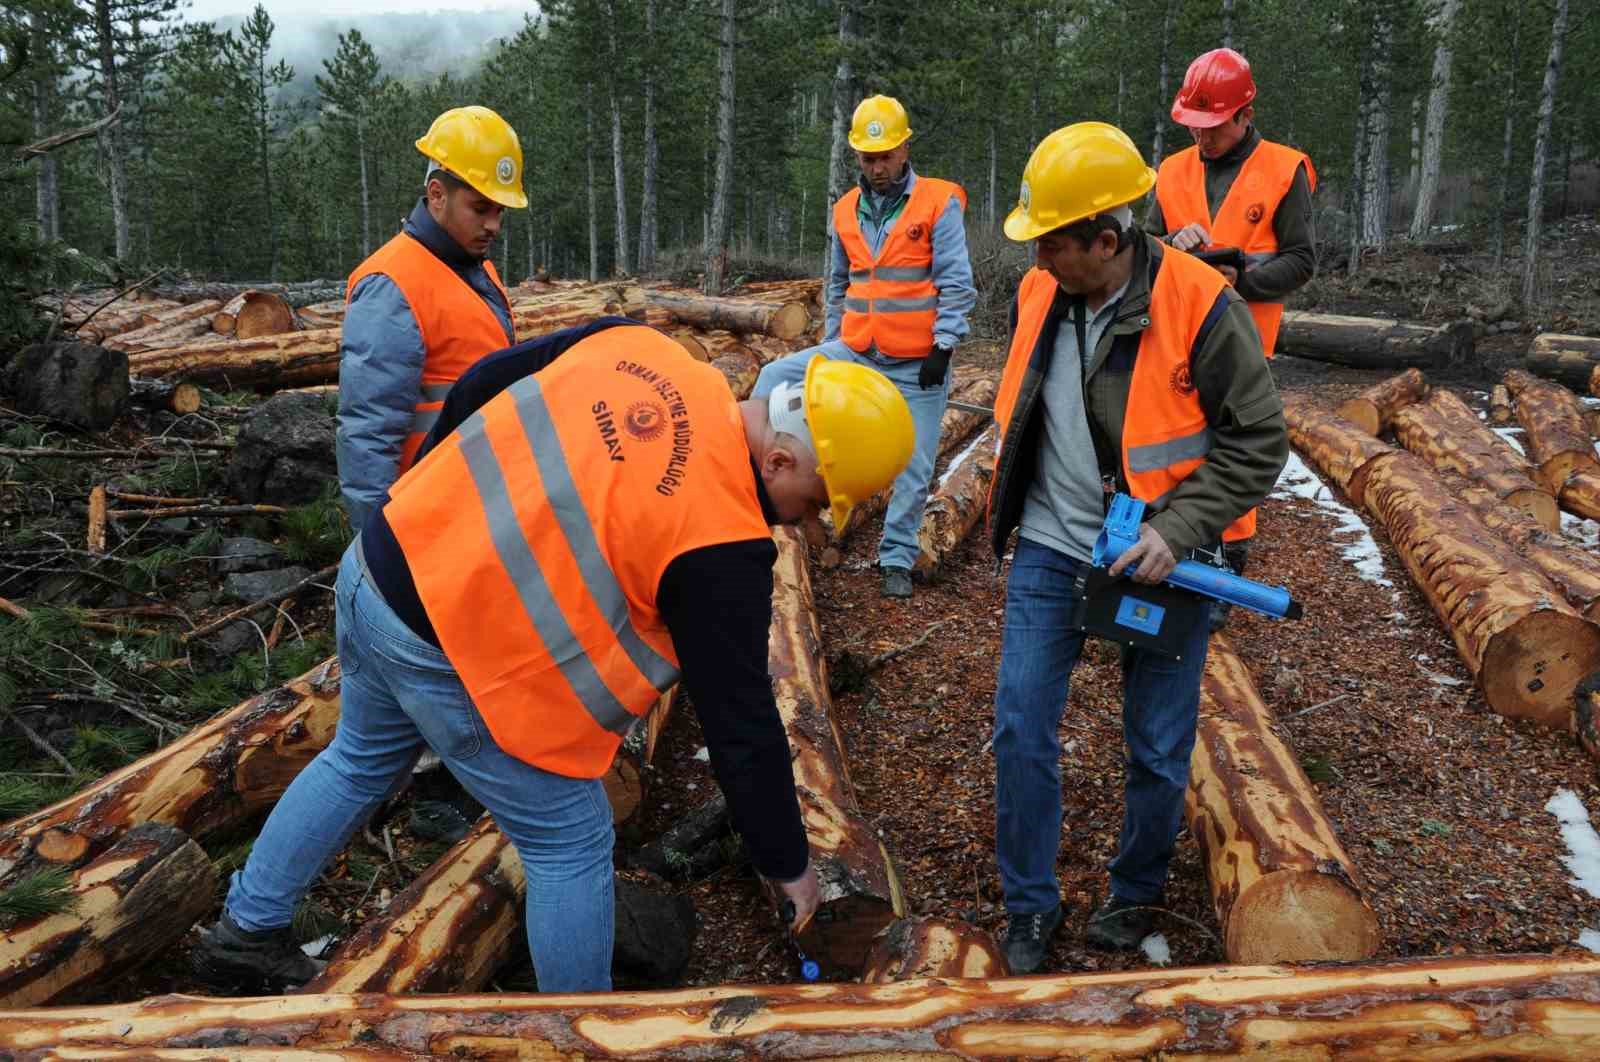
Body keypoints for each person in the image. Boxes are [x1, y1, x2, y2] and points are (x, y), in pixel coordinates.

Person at [192, 319, 915, 995]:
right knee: (570, 838)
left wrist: (427, 495)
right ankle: (576, 1031)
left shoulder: (642, 348)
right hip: (443, 650)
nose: (809, 523)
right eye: (816, 502)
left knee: (359, 758)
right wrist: (787, 865)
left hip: (380, 565)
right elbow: (741, 725)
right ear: (780, 458)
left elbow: (484, 378)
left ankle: (246, 930)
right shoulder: (722, 542)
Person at [987, 123, 1287, 972]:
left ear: (1107, 240)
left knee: (1158, 745)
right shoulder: (1041, 293)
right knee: (1020, 725)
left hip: (1167, 557)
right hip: (1053, 542)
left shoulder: (1202, 305)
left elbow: (1260, 441)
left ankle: (1135, 893)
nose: (1040, 258)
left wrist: (1175, 530)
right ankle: (1028, 906)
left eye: (1053, 243)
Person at [336, 105, 526, 842]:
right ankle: (432, 799)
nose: (492, 226)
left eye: (501, 212)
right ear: (436, 190)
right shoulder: (394, 284)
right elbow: (368, 435)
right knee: (433, 668)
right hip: (419, 526)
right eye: (481, 207)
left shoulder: (471, 271)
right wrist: (377, 542)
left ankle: (442, 788)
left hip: (465, 513)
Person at [752, 95, 976, 599]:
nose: (877, 166)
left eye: (885, 156)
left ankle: (895, 557)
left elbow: (957, 283)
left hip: (916, 361)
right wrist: (833, 341)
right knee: (774, 377)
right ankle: (766, 490)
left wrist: (943, 347)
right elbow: (838, 284)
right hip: (854, 349)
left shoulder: (938, 203)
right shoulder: (844, 211)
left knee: (915, 464)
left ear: (904, 149)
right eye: (867, 157)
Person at [1147, 48, 1315, 605]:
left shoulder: (1284, 168)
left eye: (1213, 127)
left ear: (1245, 113)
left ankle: (1227, 567)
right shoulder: (1170, 172)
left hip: (1245, 342)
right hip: (1172, 338)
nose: (1202, 138)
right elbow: (1144, 249)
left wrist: (1239, 275)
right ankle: (1173, 544)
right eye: (1193, 127)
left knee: (1237, 448)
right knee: (1179, 446)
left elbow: (1301, 260)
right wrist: (1172, 245)